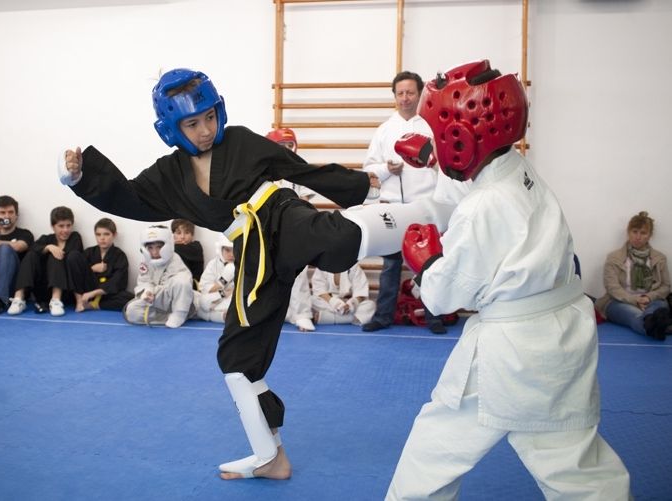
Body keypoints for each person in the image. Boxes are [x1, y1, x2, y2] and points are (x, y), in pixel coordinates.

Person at [59, 68, 438, 481]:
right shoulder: (169, 175)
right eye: (192, 123)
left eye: (209, 117)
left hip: (280, 216)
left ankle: (435, 216)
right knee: (236, 357)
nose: (205, 130)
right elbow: (130, 195)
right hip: (253, 253)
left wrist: (368, 181)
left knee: (334, 239)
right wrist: (80, 178)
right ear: (171, 129)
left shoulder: (238, 139)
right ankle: (269, 456)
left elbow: (301, 172)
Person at [387, 60, 630, 500]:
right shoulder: (518, 167)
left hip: (511, 352)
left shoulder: (483, 209)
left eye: (443, 134)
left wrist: (424, 263)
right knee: (574, 464)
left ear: (462, 137)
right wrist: (431, 157)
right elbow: (478, 184)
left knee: (435, 447)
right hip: (557, 331)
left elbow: (443, 296)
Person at [360, 71, 441, 334]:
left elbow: (447, 166)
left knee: (430, 266)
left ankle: (434, 317)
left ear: (419, 94)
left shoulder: (431, 128)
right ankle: (383, 317)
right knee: (391, 266)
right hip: (393, 208)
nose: (405, 98)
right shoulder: (385, 130)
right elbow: (368, 168)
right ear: (394, 96)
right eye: (400, 93)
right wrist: (386, 168)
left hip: (425, 207)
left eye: (410, 93)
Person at [266, 128, 316, 332]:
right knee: (268, 276)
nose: (287, 150)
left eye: (290, 145)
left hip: (293, 229)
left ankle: (302, 314)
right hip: (268, 230)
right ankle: (271, 315)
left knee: (299, 274)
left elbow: (305, 199)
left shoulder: (299, 169)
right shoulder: (263, 172)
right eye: (282, 146)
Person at [595, 211, 670, 340]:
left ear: (650, 235)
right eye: (634, 232)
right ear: (628, 232)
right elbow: (612, 288)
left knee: (659, 307)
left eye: (643, 233)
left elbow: (665, 286)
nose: (638, 237)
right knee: (634, 316)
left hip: (651, 301)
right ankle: (655, 326)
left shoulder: (659, 258)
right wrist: (634, 300)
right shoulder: (614, 258)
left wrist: (648, 297)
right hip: (618, 302)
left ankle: (653, 323)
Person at [7, 206, 83, 316]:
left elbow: (72, 258)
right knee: (32, 254)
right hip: (44, 289)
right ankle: (18, 298)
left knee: (56, 254)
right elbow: (32, 248)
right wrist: (48, 247)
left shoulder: (75, 237)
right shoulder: (46, 239)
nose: (65, 230)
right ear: (53, 226)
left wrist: (54, 250)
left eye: (68, 226)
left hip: (65, 288)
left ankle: (56, 301)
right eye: (61, 226)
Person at [123, 224, 194, 328]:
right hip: (155, 299)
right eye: (150, 248)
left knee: (181, 281)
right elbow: (144, 281)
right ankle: (169, 317)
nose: (155, 252)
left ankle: (180, 314)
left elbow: (182, 284)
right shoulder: (145, 261)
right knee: (131, 311)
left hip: (174, 298)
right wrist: (147, 292)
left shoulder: (174, 259)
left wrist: (157, 292)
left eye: (159, 247)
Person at [66, 217, 134, 312]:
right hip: (86, 291)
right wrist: (92, 269)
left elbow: (117, 281)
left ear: (114, 235)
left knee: (131, 299)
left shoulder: (119, 255)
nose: (102, 238)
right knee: (73, 255)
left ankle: (94, 305)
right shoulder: (89, 252)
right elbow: (78, 273)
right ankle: (79, 301)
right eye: (98, 234)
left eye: (106, 234)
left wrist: (93, 293)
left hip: (105, 294)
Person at [311, 263, 375, 325]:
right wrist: (334, 303)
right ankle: (353, 318)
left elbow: (360, 292)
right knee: (311, 300)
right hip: (329, 303)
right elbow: (320, 291)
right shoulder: (322, 266)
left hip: (348, 303)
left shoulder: (354, 267)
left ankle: (328, 318)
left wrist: (351, 304)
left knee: (370, 305)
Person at [196, 234, 235, 323]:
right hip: (218, 297)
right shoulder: (213, 264)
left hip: (232, 299)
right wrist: (223, 282)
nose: (231, 254)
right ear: (221, 250)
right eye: (228, 250)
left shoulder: (243, 263)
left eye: (234, 250)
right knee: (202, 302)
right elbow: (204, 288)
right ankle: (224, 316)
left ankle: (222, 316)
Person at [171, 218, 204, 288]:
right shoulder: (172, 247)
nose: (182, 237)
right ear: (173, 235)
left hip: (193, 285)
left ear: (192, 235)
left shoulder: (196, 246)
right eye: (178, 233)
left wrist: (171, 245)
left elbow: (178, 249)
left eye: (187, 233)